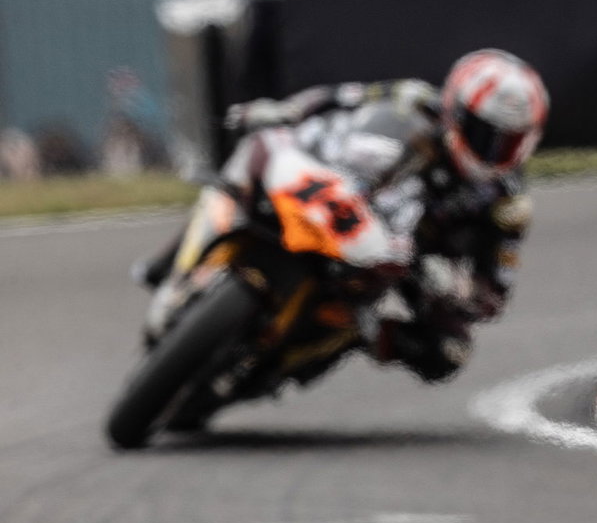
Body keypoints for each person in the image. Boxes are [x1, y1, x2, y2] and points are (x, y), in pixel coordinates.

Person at [136, 48, 548, 382]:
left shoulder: (506, 203)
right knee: (240, 176)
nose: (492, 151)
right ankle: (168, 264)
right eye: (483, 134)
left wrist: (455, 291)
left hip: (403, 266)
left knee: (448, 355)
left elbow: (496, 290)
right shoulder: (410, 100)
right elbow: (335, 97)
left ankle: (343, 340)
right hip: (337, 188)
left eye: (506, 143)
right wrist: (285, 112)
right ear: (455, 111)